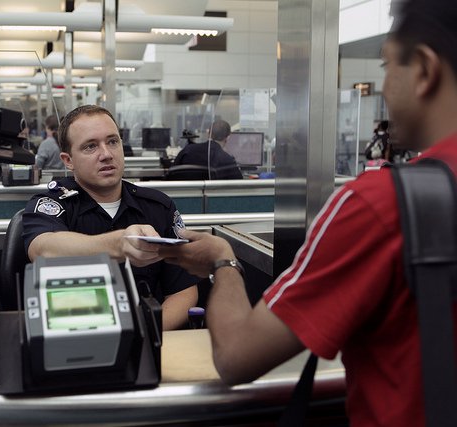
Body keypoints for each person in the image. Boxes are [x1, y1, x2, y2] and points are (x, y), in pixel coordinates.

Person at [159, 0, 457, 425]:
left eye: (388, 66)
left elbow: (239, 356)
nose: (386, 87)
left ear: (425, 69)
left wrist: (222, 261)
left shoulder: (384, 205)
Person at [22, 105, 198, 330]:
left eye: (113, 142)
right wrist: (118, 244)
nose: (106, 154)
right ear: (68, 160)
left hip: (148, 337)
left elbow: (183, 291)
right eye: (90, 146)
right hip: (74, 338)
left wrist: (142, 335)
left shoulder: (158, 207)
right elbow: (43, 249)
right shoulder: (52, 205)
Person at [171, 119, 243, 179]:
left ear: (208, 133)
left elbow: (171, 174)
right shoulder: (227, 160)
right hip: (213, 195)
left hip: (183, 194)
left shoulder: (188, 150)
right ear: (228, 137)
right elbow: (240, 185)